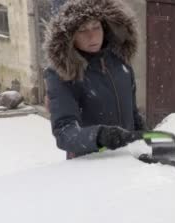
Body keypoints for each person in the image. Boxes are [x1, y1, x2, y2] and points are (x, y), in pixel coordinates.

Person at [44, 0, 145, 159]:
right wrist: (99, 136)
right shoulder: (62, 74)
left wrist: (143, 136)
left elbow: (133, 114)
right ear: (70, 36)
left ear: (105, 28)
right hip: (89, 167)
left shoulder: (120, 63)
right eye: (82, 30)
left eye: (96, 27)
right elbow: (64, 132)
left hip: (126, 161)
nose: (92, 36)